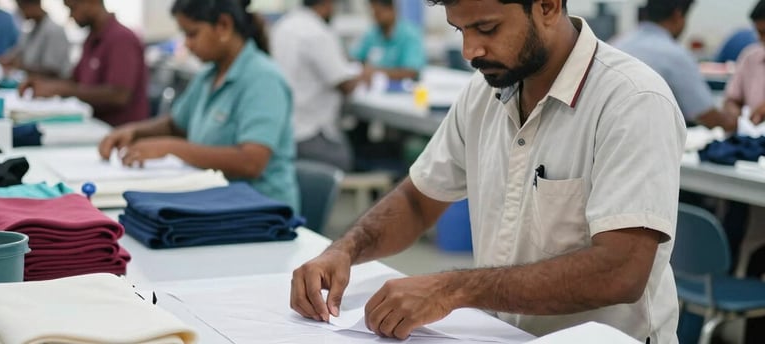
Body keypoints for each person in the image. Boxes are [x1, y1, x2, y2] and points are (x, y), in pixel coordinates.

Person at [290, 0, 686, 343]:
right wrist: (344, 251)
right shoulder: (484, 94)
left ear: (547, 6)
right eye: (459, 29)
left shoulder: (632, 102)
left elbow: (619, 272)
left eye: (486, 28)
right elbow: (417, 199)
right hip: (500, 333)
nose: (469, 50)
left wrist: (451, 290)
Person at [97, 0, 299, 211]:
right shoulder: (208, 75)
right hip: (216, 201)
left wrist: (169, 148)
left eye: (192, 34)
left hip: (261, 211)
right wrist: (135, 132)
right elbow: (176, 125)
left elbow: (251, 162)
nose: (187, 44)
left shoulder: (263, 78)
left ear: (223, 26)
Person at [271, 0, 369, 171]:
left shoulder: (282, 26)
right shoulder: (317, 33)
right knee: (350, 155)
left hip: (282, 133)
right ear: (327, 4)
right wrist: (363, 76)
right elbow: (343, 83)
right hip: (308, 135)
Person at [19, 0, 148, 127]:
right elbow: (75, 81)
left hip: (116, 131)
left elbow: (119, 96)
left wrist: (63, 90)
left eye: (72, 8)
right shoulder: (91, 38)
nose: (70, 16)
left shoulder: (121, 39)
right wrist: (45, 84)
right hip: (92, 123)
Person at [613, 0, 737, 132]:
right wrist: (734, 120)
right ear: (678, 15)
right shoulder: (674, 55)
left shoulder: (616, 44)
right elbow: (707, 115)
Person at [351, 0, 426, 80]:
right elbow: (356, 58)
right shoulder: (372, 33)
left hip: (403, 89)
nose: (375, 17)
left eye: (378, 13)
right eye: (373, 13)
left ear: (392, 10)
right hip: (375, 88)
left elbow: (411, 71)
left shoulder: (410, 34)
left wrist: (375, 72)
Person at [0, 0, 71, 78]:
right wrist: (7, 60)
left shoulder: (55, 30)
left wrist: (20, 66)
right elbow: (16, 54)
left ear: (32, 6)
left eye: (22, 9)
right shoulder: (30, 30)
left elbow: (53, 71)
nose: (21, 13)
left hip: (50, 86)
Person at [724, 0, 765, 125]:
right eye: (760, 33)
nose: (763, 39)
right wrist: (736, 115)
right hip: (752, 137)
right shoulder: (749, 58)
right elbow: (731, 100)